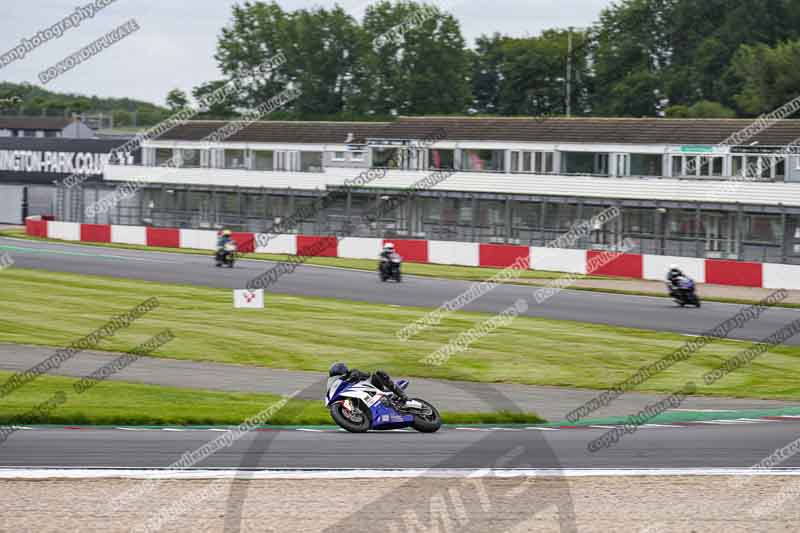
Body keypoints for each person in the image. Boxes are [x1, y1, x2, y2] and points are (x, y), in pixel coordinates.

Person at [329, 362, 408, 406]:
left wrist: (355, 375)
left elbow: (367, 374)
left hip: (370, 389)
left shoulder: (352, 372)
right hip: (360, 396)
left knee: (378, 374)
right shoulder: (340, 384)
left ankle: (401, 395)